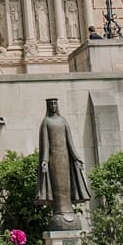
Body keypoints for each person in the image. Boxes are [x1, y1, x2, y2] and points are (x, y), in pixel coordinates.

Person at [35, 98, 91, 229]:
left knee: (67, 184)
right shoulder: (46, 122)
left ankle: (68, 210)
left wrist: (77, 158)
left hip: (65, 159)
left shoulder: (63, 121)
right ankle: (59, 211)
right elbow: (45, 144)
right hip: (53, 160)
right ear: (48, 106)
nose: (53, 106)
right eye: (51, 104)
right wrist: (44, 160)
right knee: (57, 186)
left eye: (55, 104)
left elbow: (70, 142)